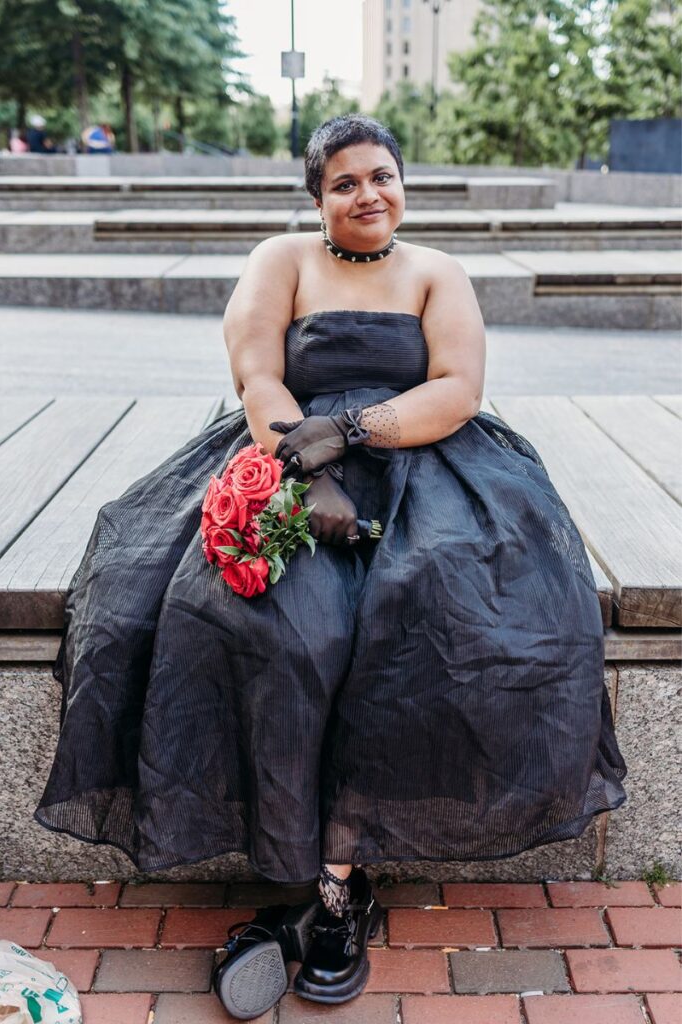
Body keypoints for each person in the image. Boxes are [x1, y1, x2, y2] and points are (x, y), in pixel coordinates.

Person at [35, 114, 628, 1016]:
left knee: (434, 614)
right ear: (316, 198)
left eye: (381, 176)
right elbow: (258, 378)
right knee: (271, 620)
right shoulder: (281, 261)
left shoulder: (437, 271)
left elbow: (456, 390)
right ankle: (308, 870)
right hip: (287, 456)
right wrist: (296, 468)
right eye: (344, 183)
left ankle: (341, 891)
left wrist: (353, 432)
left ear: (403, 183)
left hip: (428, 466)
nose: (367, 195)